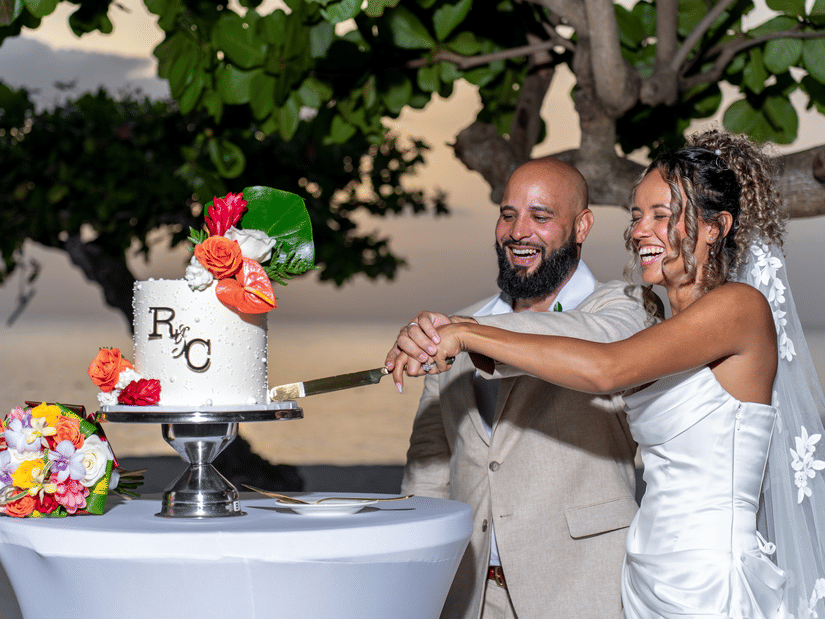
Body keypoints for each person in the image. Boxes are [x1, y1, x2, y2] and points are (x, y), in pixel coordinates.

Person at [391, 130, 825, 618]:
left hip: (709, 578)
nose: (641, 231)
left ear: (714, 227)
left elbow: (606, 367)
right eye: (638, 216)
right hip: (646, 572)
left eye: (663, 216)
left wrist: (466, 333)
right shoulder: (663, 322)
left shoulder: (738, 309)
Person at [385, 157, 651, 619]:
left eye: (540, 216)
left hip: (583, 588)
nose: (517, 231)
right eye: (508, 215)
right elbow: (428, 470)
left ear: (582, 225)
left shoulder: (625, 306)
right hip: (468, 596)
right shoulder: (459, 327)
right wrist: (415, 579)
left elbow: (601, 346)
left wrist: (466, 332)